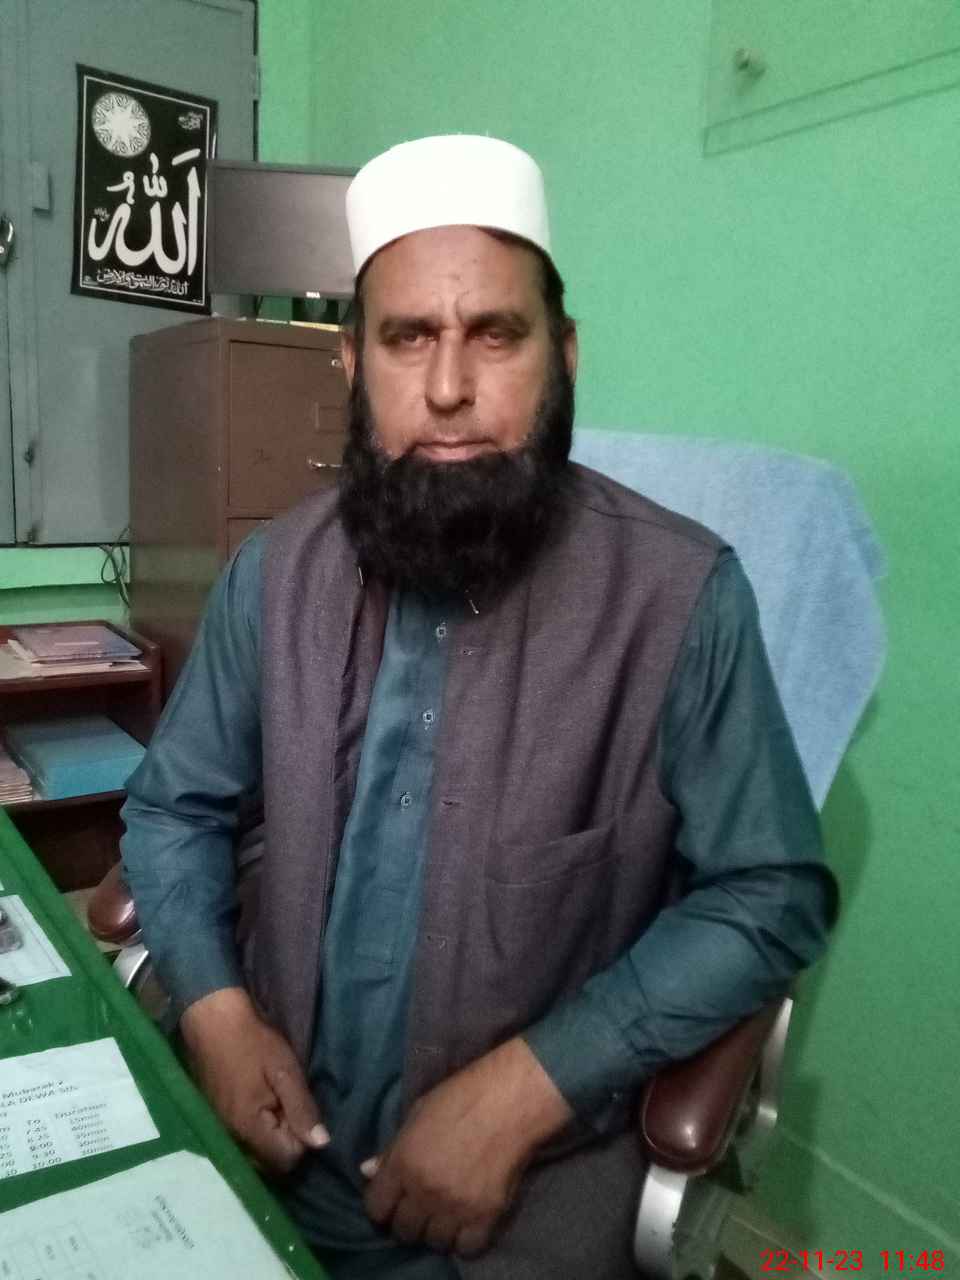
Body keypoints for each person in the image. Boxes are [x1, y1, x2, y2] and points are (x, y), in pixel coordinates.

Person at [120, 135, 837, 1279]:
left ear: (564, 355)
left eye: (495, 334)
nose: (448, 387)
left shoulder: (680, 598)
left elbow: (770, 891)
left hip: (522, 1191)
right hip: (258, 1129)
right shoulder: (275, 574)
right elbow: (173, 807)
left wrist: (527, 1088)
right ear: (353, 364)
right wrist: (212, 1007)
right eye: (409, 337)